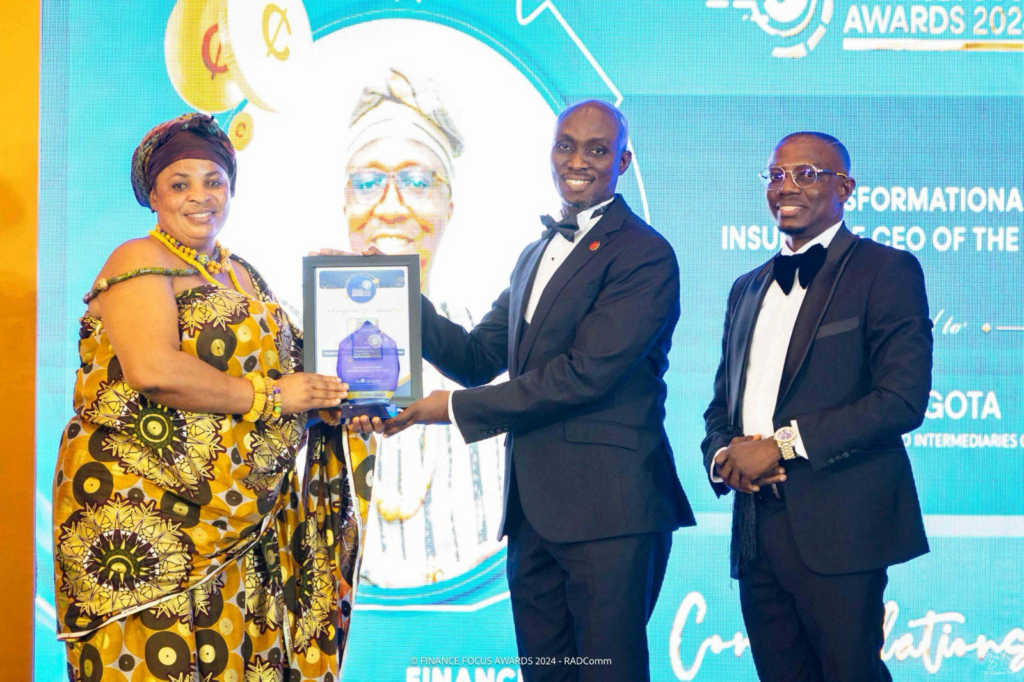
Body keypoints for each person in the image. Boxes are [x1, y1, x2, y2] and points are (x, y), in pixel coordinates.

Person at [383, 100, 694, 681]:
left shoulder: (644, 255)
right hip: (533, 516)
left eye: (597, 150)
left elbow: (584, 374)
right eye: (566, 145)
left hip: (610, 513)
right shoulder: (535, 253)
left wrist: (450, 410)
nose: (577, 161)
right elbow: (475, 358)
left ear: (623, 161)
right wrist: (392, 290)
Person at [52, 113, 364, 681]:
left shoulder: (243, 273)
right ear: (153, 196)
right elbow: (153, 370)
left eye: (214, 181)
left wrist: (339, 398)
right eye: (180, 184)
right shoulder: (137, 258)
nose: (200, 196)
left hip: (241, 518)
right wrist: (272, 397)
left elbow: (292, 376)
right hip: (142, 516)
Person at [701, 132, 932, 681]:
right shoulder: (746, 287)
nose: (786, 187)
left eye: (806, 174)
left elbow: (901, 400)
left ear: (844, 188)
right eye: (776, 175)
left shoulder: (886, 270)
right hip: (755, 531)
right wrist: (722, 457)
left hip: (841, 527)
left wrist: (780, 446)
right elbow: (721, 407)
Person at [339, 68, 505, 587]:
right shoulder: (297, 341)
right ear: (345, 202)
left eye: (416, 181)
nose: (391, 207)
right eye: (367, 182)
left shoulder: (486, 348)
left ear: (449, 206)